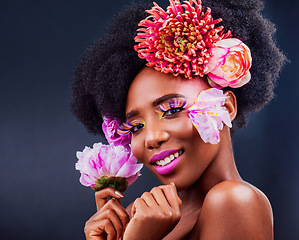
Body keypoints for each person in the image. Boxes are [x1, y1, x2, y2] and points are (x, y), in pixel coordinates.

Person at [71, 0, 286, 239]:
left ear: (225, 107)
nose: (152, 138)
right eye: (136, 127)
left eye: (172, 110)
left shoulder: (233, 200)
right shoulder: (139, 216)